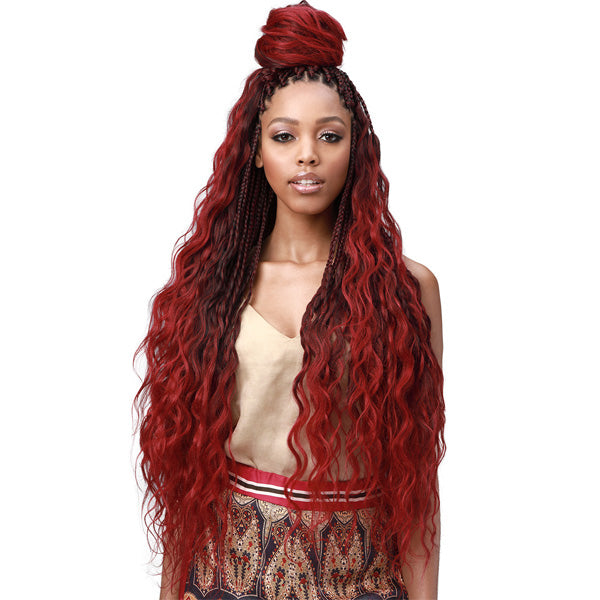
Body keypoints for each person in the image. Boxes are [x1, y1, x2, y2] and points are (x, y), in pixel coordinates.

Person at [134, 2, 445, 599]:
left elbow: (418, 484)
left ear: (356, 150)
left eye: (329, 136)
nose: (307, 154)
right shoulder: (210, 287)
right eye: (284, 136)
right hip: (224, 578)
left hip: (361, 581)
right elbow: (186, 482)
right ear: (255, 150)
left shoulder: (408, 290)